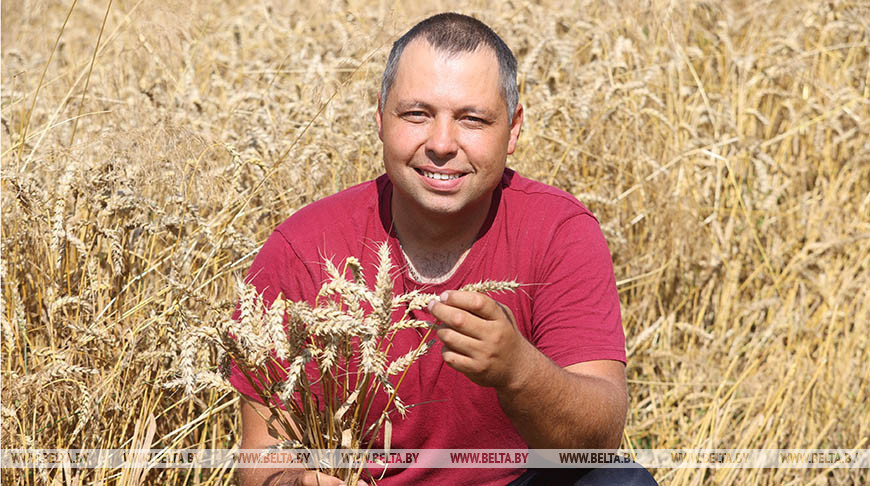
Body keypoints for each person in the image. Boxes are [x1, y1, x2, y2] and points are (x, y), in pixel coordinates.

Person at [231, 12, 656, 486]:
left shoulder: (559, 231)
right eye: (417, 114)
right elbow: (265, 457)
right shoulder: (301, 249)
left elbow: (599, 442)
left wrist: (518, 370)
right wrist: (302, 482)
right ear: (380, 117)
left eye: (472, 119)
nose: (441, 143)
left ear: (513, 130)